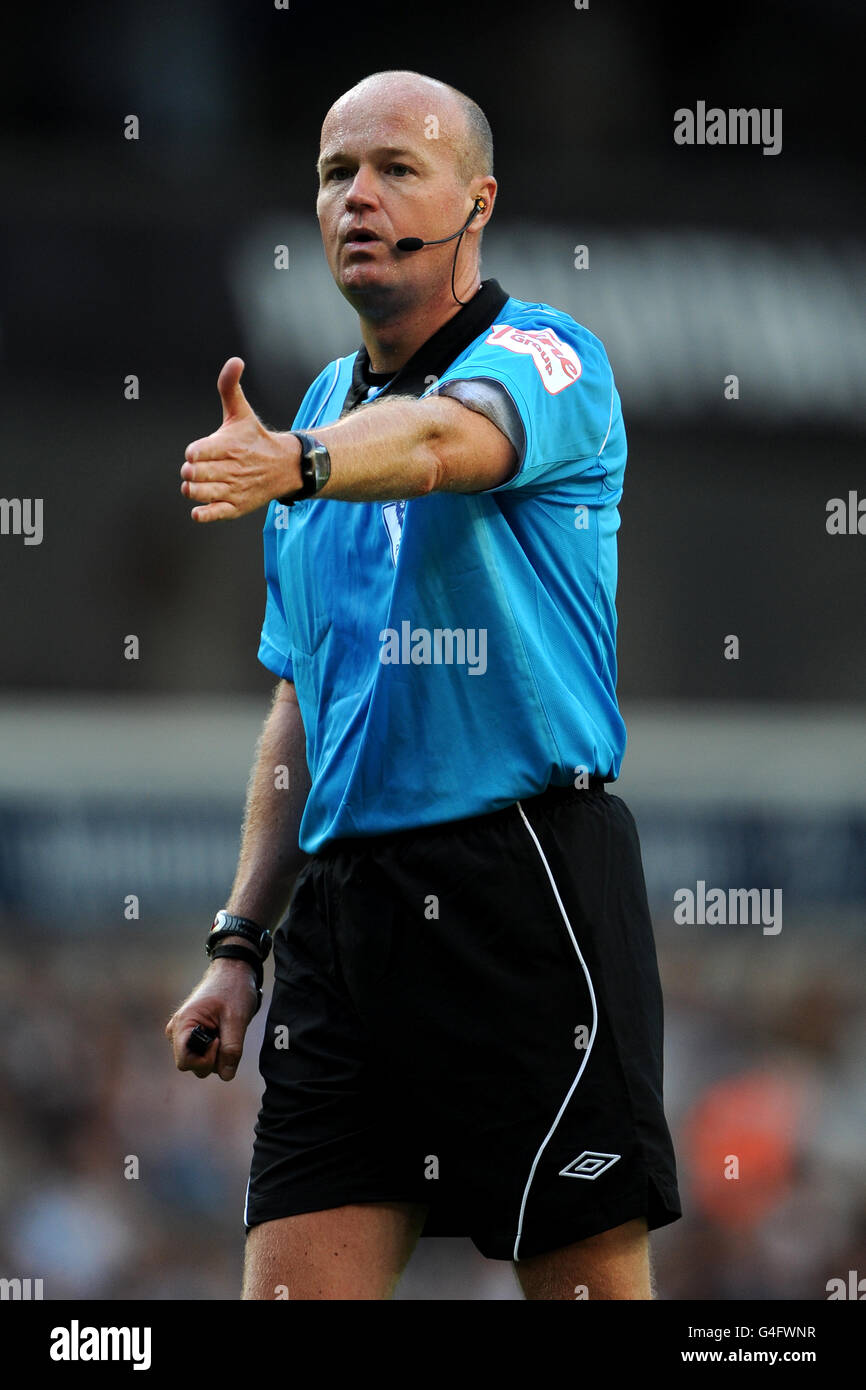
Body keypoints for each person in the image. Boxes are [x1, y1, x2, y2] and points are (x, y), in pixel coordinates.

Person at [165, 69, 681, 1301]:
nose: (359, 196)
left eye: (398, 168)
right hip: (344, 926)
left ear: (476, 200)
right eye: (337, 172)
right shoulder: (315, 416)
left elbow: (449, 441)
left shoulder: (549, 357)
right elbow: (301, 700)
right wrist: (241, 941)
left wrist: (293, 463)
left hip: (522, 884)